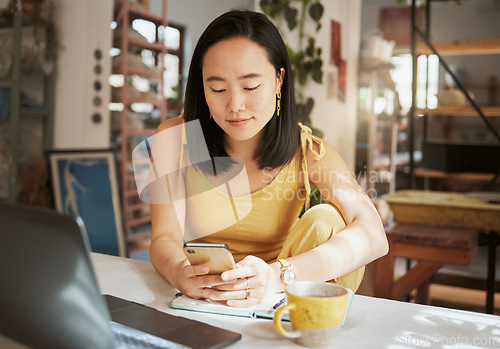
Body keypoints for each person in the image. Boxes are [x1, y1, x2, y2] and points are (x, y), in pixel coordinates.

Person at [148, 10, 388, 308]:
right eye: (217, 88)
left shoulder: (310, 153)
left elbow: (374, 235)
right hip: (204, 298)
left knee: (326, 219)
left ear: (278, 81)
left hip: (281, 300)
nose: (235, 105)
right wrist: (179, 272)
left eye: (250, 87)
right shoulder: (173, 140)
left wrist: (278, 276)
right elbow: (163, 239)